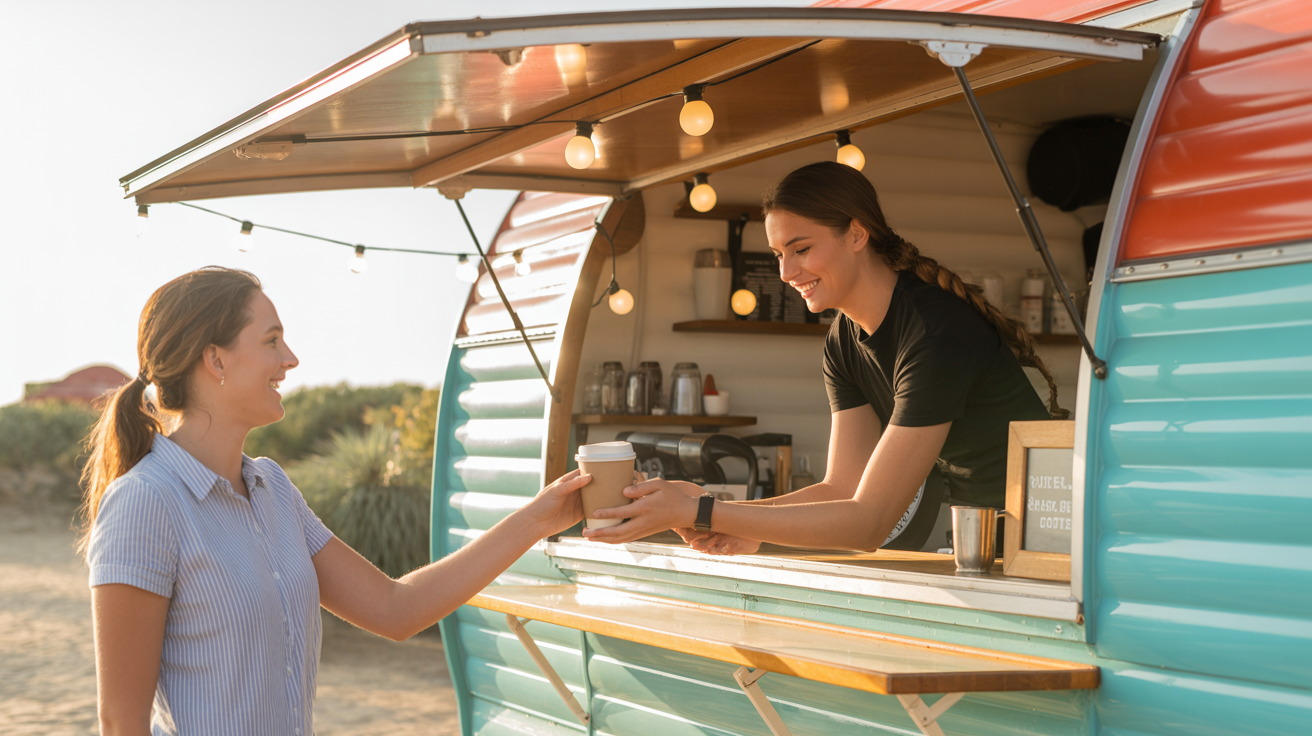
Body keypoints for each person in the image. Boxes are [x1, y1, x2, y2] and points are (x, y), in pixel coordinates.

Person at [82, 267, 589, 736]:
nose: (290, 359)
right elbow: (121, 721)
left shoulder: (273, 489)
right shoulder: (144, 503)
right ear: (214, 359)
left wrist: (537, 519)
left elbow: (396, 608)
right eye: (271, 340)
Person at [581, 161, 1063, 554]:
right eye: (777, 254)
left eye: (801, 249)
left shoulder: (934, 330)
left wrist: (702, 511)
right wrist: (737, 521)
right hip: (979, 540)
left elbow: (867, 523)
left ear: (857, 234)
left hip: (1047, 537)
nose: (787, 271)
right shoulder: (843, 340)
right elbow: (840, 489)